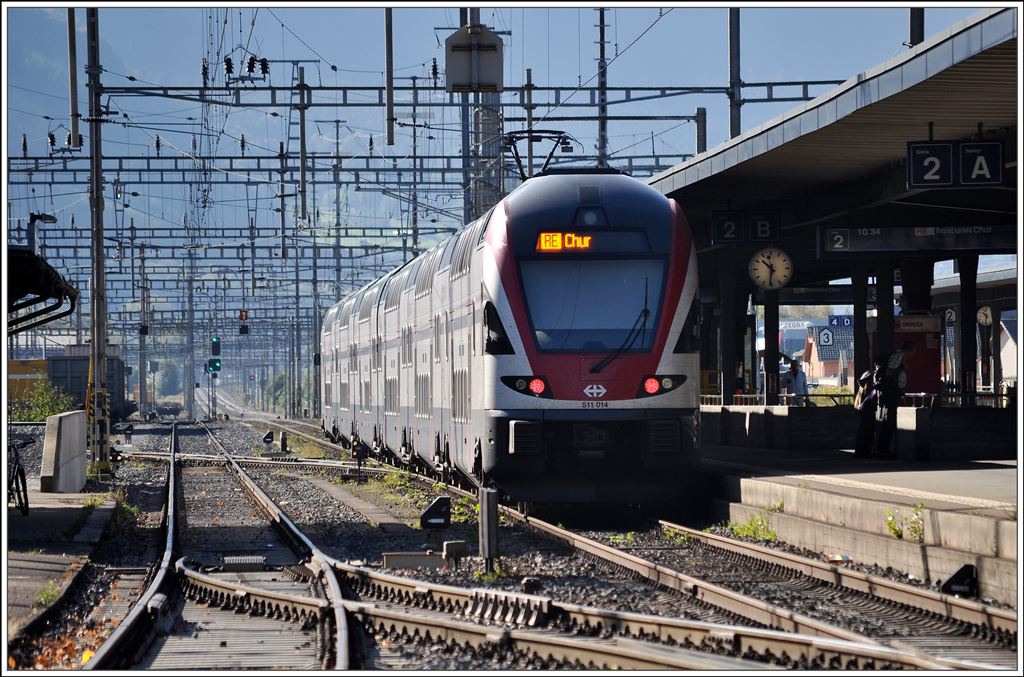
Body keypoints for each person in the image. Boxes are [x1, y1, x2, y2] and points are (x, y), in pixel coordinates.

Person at [874, 340, 916, 457]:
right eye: (912, 351)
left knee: (889, 421)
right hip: (890, 393)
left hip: (892, 392)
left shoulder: (898, 356)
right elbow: (889, 372)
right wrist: (902, 368)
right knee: (890, 421)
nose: (912, 355)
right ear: (909, 350)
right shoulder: (898, 356)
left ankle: (883, 448)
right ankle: (883, 449)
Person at [853, 370, 879, 458]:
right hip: (868, 412)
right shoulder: (872, 390)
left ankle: (861, 451)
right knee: (868, 432)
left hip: (863, 412)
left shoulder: (862, 390)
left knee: (863, 432)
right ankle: (865, 451)